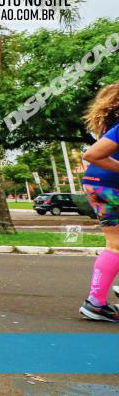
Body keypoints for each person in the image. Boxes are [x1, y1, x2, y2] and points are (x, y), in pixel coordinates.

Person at [79, 83, 119, 322]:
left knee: (115, 244)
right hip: (109, 186)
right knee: (115, 245)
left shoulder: (110, 126)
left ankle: (97, 301)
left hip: (99, 183)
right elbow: (91, 155)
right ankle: (95, 303)